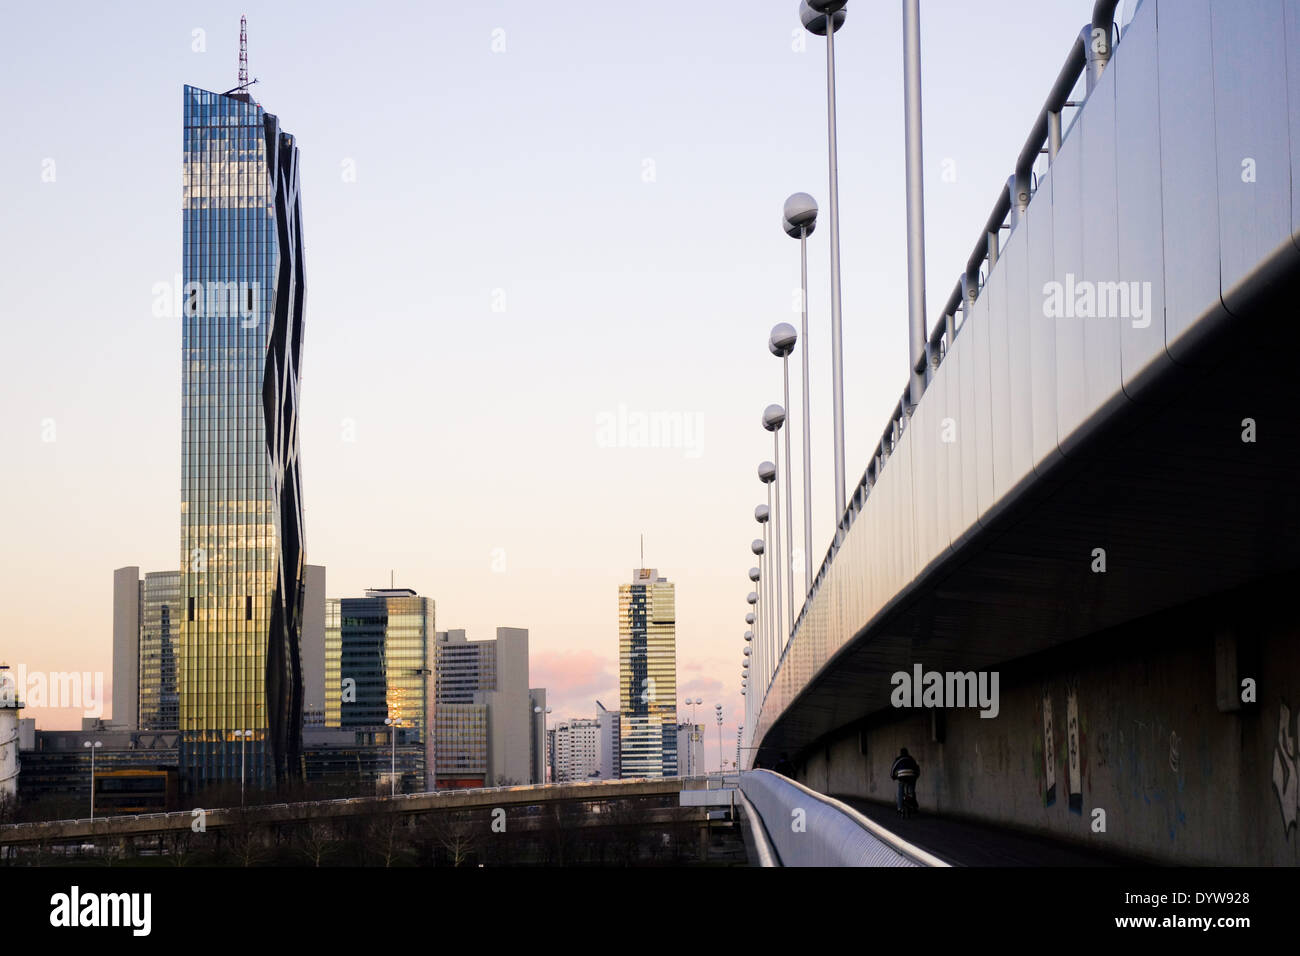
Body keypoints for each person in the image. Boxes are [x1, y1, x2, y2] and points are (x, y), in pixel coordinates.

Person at [890, 747, 920, 814]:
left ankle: (900, 808)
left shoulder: (899, 759)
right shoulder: (911, 759)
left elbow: (893, 768)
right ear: (907, 753)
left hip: (902, 777)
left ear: (900, 753)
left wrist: (892, 776)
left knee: (901, 790)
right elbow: (916, 767)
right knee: (911, 790)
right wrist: (916, 776)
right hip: (911, 777)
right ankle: (914, 805)